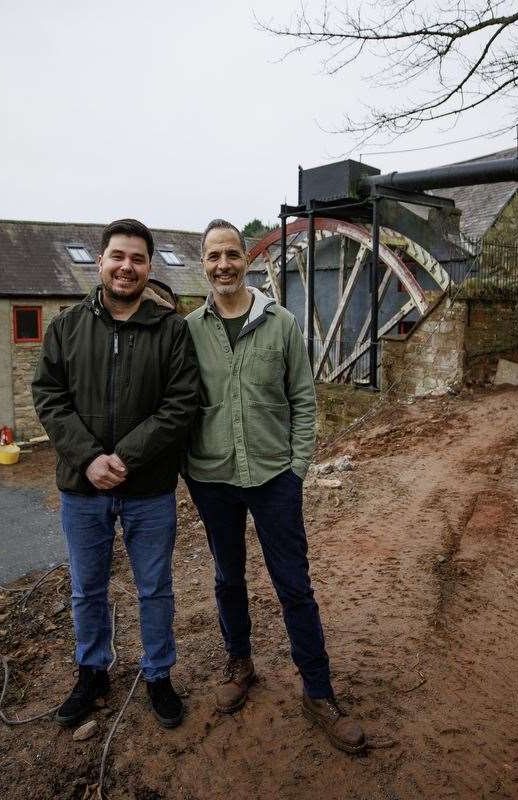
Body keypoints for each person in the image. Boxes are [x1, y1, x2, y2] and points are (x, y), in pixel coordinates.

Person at [183, 218, 366, 754]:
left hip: (273, 477)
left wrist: (297, 467)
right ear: (204, 265)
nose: (223, 265)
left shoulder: (281, 324)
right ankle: (240, 664)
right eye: (213, 256)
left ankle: (317, 691)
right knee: (227, 576)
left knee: (294, 585)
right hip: (212, 477)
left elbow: (304, 399)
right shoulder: (190, 329)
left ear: (247, 260)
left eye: (231, 254)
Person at [32, 218, 198, 730]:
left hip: (147, 487)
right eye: (118, 257)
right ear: (100, 262)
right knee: (87, 588)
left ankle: (158, 674)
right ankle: (92, 672)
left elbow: (182, 403)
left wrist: (126, 457)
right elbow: (48, 396)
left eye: (138, 259)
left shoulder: (171, 331)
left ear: (149, 268)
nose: (127, 267)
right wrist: (88, 458)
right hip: (83, 488)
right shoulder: (65, 327)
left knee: (155, 587)